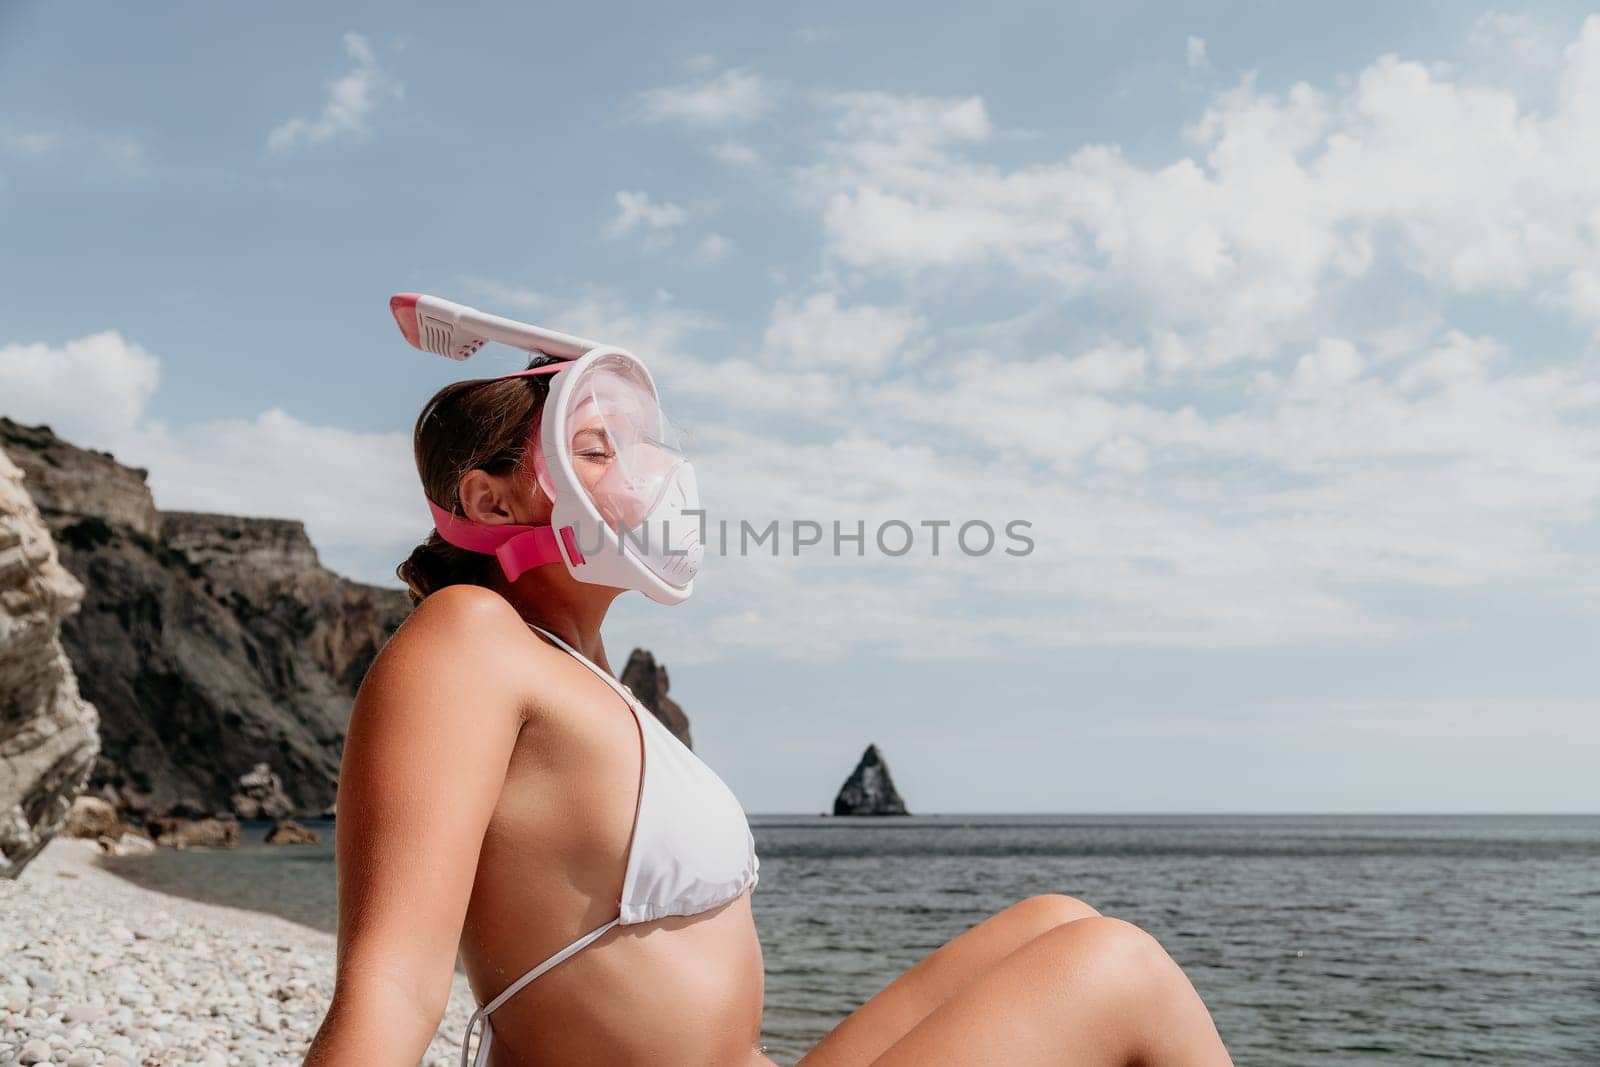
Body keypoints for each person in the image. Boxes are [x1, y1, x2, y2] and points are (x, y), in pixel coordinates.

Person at [304, 298, 1233, 1066]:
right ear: (491, 500)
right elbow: (391, 986)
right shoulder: (467, 638)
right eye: (595, 451)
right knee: (1119, 965)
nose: (642, 475)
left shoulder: (586, 678)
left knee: (1056, 918)